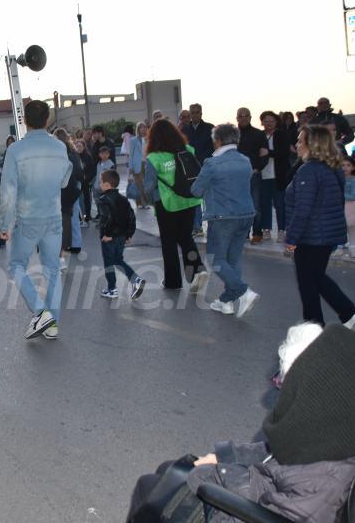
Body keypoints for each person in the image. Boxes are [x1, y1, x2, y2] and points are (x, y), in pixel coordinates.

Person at [127, 322, 355, 522]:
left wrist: (216, 474)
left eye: (287, 384)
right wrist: (225, 456)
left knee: (149, 487)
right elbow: (273, 457)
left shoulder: (320, 486)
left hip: (244, 508)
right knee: (168, 471)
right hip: (260, 490)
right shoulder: (330, 434)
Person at [0, 100, 71, 340]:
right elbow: (64, 180)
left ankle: (40, 311)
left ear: (25, 120)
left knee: (16, 265)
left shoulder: (16, 150)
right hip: (53, 216)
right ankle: (52, 324)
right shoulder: (60, 147)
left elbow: (8, 191)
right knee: (53, 270)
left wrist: (3, 225)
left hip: (27, 218)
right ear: (47, 119)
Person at [285, 125, 355, 328]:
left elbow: (303, 209)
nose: (297, 144)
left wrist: (292, 239)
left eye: (300, 140)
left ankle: (318, 323)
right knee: (315, 279)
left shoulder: (309, 170)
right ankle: (326, 319)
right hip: (324, 235)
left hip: (312, 236)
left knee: (309, 282)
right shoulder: (331, 168)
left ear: (312, 144)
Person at [190, 124, 259, 317]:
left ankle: (243, 291)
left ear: (217, 140)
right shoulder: (245, 160)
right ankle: (226, 301)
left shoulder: (212, 163)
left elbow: (196, 190)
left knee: (216, 259)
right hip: (246, 215)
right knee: (233, 259)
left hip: (222, 217)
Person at [144, 119, 208, 291]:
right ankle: (197, 271)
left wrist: (151, 200)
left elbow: (148, 186)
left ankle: (173, 281)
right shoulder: (188, 150)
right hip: (189, 201)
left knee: (169, 243)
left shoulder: (154, 158)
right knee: (186, 237)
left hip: (166, 204)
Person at [97, 169, 144, 300]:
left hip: (110, 238)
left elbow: (107, 219)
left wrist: (107, 234)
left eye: (101, 182)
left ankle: (112, 289)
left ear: (107, 185)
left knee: (109, 263)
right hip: (122, 237)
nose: (99, 184)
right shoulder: (123, 199)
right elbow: (131, 217)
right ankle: (136, 280)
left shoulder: (104, 200)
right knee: (118, 260)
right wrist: (129, 234)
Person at [236, 107, 270, 244]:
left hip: (253, 175)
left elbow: (265, 154)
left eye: (246, 115)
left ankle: (257, 233)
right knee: (239, 206)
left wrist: (257, 168)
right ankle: (243, 234)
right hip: (236, 177)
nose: (243, 118)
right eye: (240, 115)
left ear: (250, 117)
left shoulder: (258, 134)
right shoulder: (233, 135)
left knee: (255, 205)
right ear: (237, 118)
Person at [258, 111, 291, 242]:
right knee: (264, 203)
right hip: (263, 174)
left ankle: (282, 230)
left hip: (279, 175)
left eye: (271, 120)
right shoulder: (260, 135)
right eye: (266, 120)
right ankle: (266, 229)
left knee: (280, 204)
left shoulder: (282, 134)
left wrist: (268, 152)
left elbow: (284, 153)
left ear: (276, 122)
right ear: (262, 122)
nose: (269, 123)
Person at [55, 128, 83, 262]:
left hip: (62, 189)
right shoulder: (73, 153)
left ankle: (65, 246)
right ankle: (76, 244)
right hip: (74, 187)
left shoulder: (56, 154)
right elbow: (79, 172)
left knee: (63, 218)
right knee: (74, 216)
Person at [127, 122, 149, 209]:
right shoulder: (133, 140)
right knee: (138, 184)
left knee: (145, 184)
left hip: (147, 164)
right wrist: (131, 167)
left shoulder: (149, 139)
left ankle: (146, 202)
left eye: (144, 127)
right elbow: (131, 155)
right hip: (137, 165)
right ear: (138, 129)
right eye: (141, 128)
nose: (143, 129)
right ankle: (139, 203)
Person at [75, 138, 96, 225]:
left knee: (87, 199)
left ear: (84, 147)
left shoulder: (88, 156)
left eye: (80, 146)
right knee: (77, 200)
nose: (78, 148)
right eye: (77, 146)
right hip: (77, 182)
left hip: (86, 182)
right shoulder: (74, 157)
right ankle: (79, 218)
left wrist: (87, 178)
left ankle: (87, 216)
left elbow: (93, 170)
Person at [344, 156, 355, 258]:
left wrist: (340, 194)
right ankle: (347, 243)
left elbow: (353, 195)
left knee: (352, 226)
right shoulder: (341, 178)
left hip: (351, 207)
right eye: (343, 165)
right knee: (345, 226)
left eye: (348, 165)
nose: (345, 168)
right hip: (343, 206)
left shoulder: (353, 180)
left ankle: (353, 247)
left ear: (353, 167)